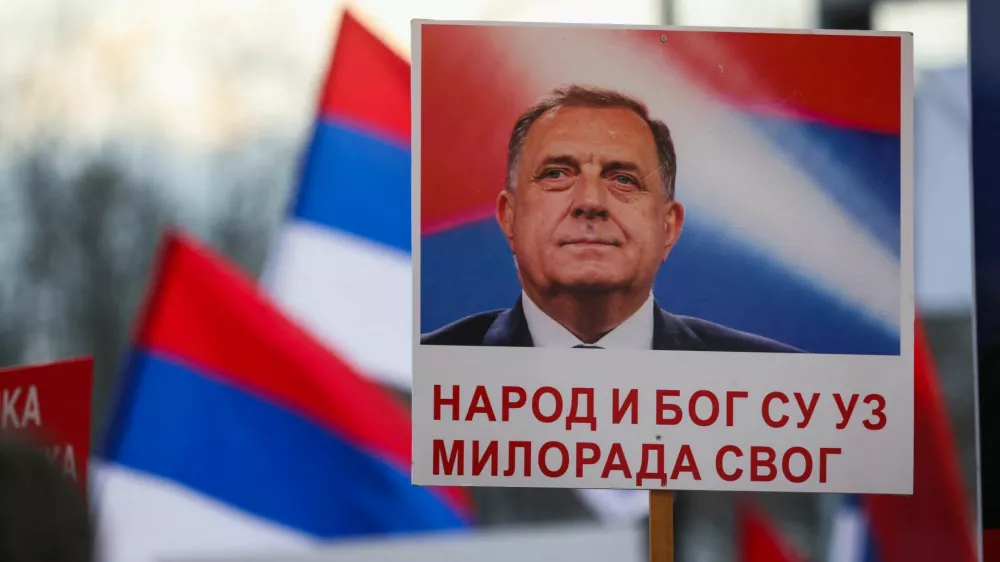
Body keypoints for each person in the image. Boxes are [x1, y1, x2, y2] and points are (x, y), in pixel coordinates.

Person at [422, 84, 798, 352]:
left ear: (668, 227)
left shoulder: (772, 380)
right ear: (509, 217)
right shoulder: (419, 374)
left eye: (623, 179)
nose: (590, 201)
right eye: (557, 174)